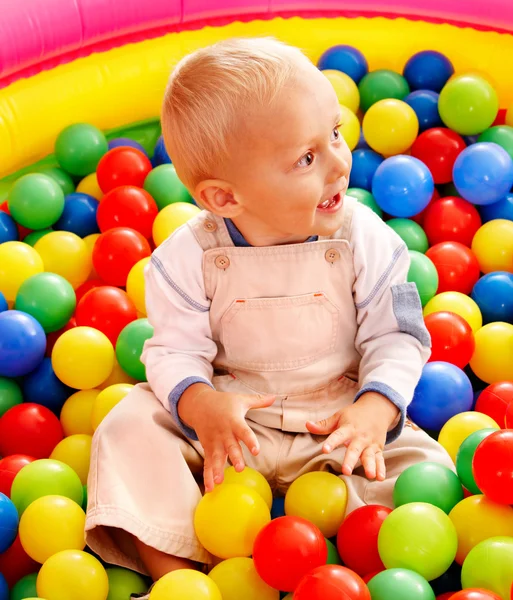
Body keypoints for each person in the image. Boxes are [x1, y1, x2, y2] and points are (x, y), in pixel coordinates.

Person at [85, 37, 453, 596]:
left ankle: (359, 573)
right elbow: (173, 351)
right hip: (232, 434)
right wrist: (201, 404)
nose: (337, 162)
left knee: (429, 474)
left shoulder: (368, 239)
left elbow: (399, 334)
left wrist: (375, 410)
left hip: (337, 425)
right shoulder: (185, 258)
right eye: (306, 158)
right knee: (127, 424)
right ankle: (181, 577)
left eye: (333, 133)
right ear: (224, 198)